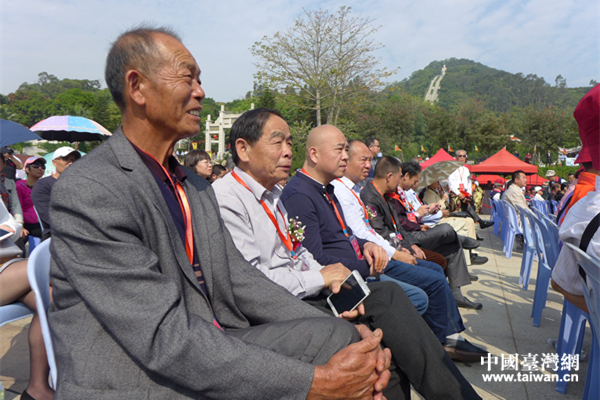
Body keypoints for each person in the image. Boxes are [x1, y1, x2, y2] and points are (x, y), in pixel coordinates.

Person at [49, 26, 393, 399]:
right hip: (134, 374)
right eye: (187, 78)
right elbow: (164, 337)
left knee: (349, 341)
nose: (200, 92)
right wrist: (316, 384)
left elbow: (239, 278)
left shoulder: (191, 185)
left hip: (208, 336)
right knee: (336, 371)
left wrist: (325, 319)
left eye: (200, 80)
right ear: (137, 87)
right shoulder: (93, 189)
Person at [215, 113, 483, 397]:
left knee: (392, 314)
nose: (288, 152)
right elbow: (254, 282)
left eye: (290, 142)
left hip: (310, 285)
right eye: (277, 142)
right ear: (243, 149)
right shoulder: (231, 199)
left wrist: (333, 278)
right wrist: (323, 276)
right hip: (281, 302)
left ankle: (453, 381)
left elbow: (300, 251)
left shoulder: (275, 195)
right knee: (391, 313)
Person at [328, 139, 486, 361]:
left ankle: (446, 334)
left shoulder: (360, 191)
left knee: (437, 264)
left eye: (369, 160)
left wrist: (406, 246)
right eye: (363, 159)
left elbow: (388, 229)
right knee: (435, 272)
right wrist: (399, 252)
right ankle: (444, 338)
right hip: (373, 259)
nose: (367, 165)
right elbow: (370, 234)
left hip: (387, 249)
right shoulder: (359, 193)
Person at [363, 159, 482, 310]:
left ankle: (456, 294)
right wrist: (408, 242)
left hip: (408, 236)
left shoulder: (393, 194)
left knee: (453, 246)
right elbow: (392, 226)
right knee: (446, 232)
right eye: (413, 180)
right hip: (404, 240)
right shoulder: (381, 195)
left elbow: (398, 224)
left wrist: (418, 224)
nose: (414, 185)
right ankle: (459, 241)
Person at [0, 201, 54, 400]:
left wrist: (9, 228)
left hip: (9, 265)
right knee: (58, 271)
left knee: (53, 300)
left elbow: (12, 226)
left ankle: (38, 387)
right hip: (7, 273)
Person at [31, 147, 80, 240]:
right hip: (56, 235)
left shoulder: (82, 184)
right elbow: (47, 216)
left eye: (74, 160)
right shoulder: (43, 184)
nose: (71, 163)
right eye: (66, 159)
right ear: (54, 162)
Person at [448, 150, 494, 229]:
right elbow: (451, 184)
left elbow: (469, 183)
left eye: (464, 156)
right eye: (460, 156)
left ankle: (478, 226)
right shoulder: (451, 169)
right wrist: (459, 194)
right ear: (455, 157)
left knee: (471, 208)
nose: (462, 158)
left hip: (465, 194)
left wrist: (469, 192)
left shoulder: (466, 170)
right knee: (467, 208)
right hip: (456, 194)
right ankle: (480, 222)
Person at [15, 157, 46, 250]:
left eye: (43, 166)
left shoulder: (45, 186)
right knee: (20, 237)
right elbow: (16, 206)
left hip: (41, 223)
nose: (40, 168)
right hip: (25, 223)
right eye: (36, 165)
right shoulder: (19, 186)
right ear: (27, 169)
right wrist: (20, 226)